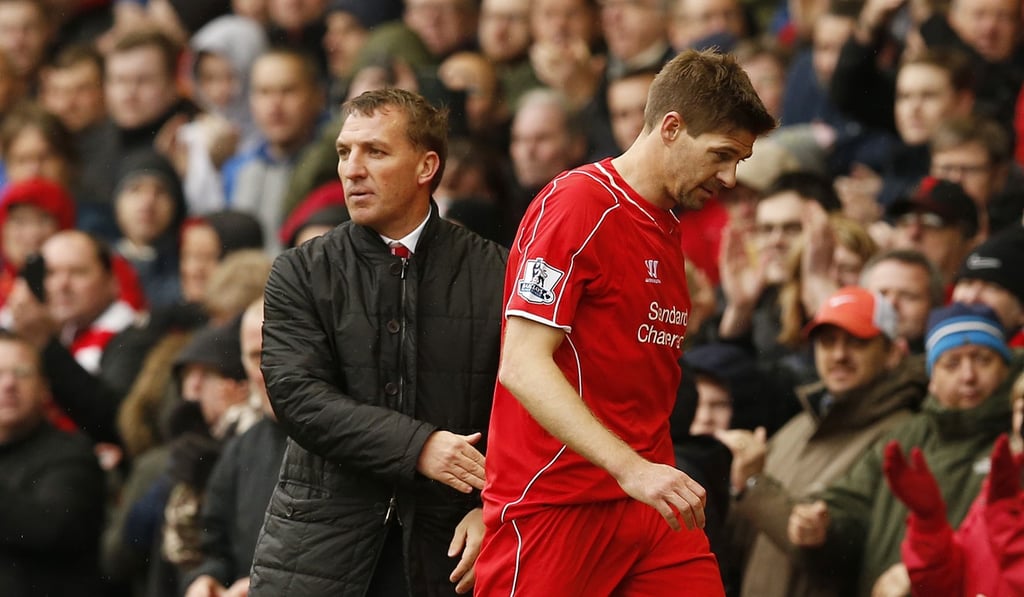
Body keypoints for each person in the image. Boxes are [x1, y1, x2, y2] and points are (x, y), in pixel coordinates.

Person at [474, 48, 776, 595]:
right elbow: (520, 364)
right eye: (722, 154)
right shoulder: (577, 205)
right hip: (558, 503)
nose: (730, 177)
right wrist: (630, 468)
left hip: (651, 503)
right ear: (671, 127)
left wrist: (641, 473)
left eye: (741, 161)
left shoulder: (665, 228)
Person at [249, 87, 508, 596]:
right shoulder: (300, 271)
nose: (352, 169)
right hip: (317, 552)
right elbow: (297, 397)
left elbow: (529, 403)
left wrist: (496, 510)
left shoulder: (499, 271)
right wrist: (419, 447)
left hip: (450, 554)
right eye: (345, 152)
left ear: (426, 166)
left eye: (376, 151)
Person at [788, 302, 1023, 597]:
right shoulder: (907, 435)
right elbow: (852, 501)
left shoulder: (1016, 440)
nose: (968, 376)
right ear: (932, 380)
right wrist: (823, 523)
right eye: (951, 363)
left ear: (1006, 368)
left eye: (982, 360)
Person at [719, 286, 925, 597]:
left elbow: (845, 557)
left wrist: (753, 486)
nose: (839, 355)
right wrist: (738, 487)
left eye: (857, 342)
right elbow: (741, 542)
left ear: (892, 353)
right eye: (828, 342)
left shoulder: (903, 435)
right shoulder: (798, 426)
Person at [181, 299, 287, 597]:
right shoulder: (241, 449)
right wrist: (204, 582)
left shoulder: (346, 438)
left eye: (277, 349)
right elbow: (213, 549)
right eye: (255, 356)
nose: (266, 368)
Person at [0, 330, 106, 596]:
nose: (8, 384)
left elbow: (53, 528)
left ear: (45, 389)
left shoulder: (70, 452)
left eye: (22, 373)